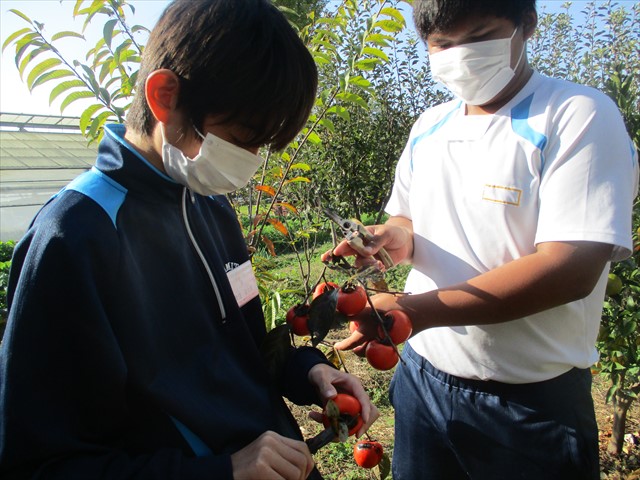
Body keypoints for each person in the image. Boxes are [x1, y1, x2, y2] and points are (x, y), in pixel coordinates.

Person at [0, 1, 379, 479]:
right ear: (164, 96)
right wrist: (224, 471)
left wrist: (307, 371)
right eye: (242, 138)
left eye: (262, 147)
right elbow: (42, 464)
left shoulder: (210, 208)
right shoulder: (74, 239)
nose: (251, 161)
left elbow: (243, 349)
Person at [328, 0, 639, 478]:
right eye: (443, 45)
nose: (461, 56)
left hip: (529, 403)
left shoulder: (576, 116)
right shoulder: (430, 125)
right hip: (423, 381)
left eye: (480, 37)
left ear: (526, 24)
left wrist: (412, 311)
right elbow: (407, 222)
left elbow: (571, 268)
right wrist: (390, 237)